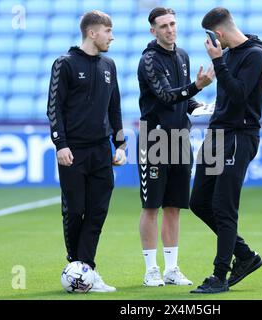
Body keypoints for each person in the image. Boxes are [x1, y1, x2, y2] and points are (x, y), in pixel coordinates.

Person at [189, 7, 262, 294]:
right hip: (216, 134)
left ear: (218, 33)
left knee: (224, 207)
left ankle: (220, 275)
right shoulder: (231, 55)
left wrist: (218, 62)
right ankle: (246, 256)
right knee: (198, 201)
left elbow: (238, 95)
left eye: (211, 36)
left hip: (238, 136)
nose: (212, 42)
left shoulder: (254, 56)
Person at [47, 10, 126, 293]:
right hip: (73, 151)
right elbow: (53, 107)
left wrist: (120, 144)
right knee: (75, 210)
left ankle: (86, 269)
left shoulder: (109, 65)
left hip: (101, 151)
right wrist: (61, 144)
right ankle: (77, 265)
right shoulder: (64, 63)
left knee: (97, 211)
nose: (112, 37)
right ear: (92, 33)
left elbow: (114, 107)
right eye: (108, 31)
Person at [137, 7, 215, 286]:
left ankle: (171, 268)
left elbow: (183, 101)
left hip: (180, 137)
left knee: (174, 206)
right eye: (163, 26)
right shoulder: (149, 60)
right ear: (153, 31)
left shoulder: (182, 55)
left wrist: (201, 107)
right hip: (154, 138)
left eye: (172, 24)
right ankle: (150, 270)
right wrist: (197, 87)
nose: (170, 29)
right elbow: (165, 96)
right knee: (151, 206)